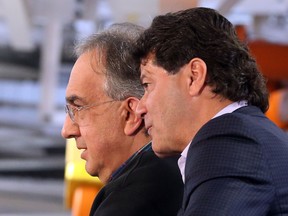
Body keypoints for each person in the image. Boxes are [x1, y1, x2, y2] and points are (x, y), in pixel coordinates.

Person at [134, 7, 288, 215]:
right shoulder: (250, 134)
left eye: (147, 84)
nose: (140, 107)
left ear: (194, 76)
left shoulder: (229, 141)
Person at [61, 22, 183, 216]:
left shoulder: (132, 201)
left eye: (79, 108)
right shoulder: (180, 173)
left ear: (130, 115)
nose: (67, 130)